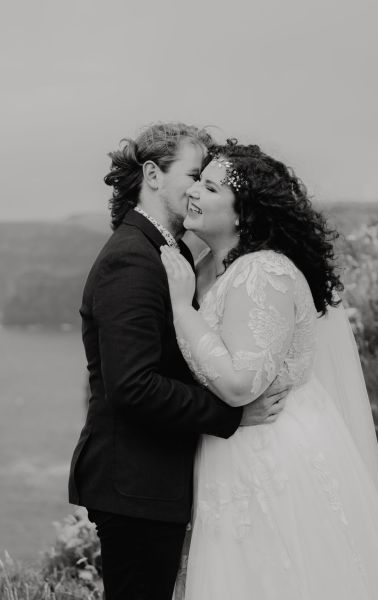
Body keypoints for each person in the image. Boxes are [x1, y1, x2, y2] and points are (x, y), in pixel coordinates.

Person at [161, 140, 378, 599]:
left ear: (242, 214)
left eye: (209, 187)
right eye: (198, 181)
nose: (193, 192)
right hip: (236, 452)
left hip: (272, 453)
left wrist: (179, 307)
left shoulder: (262, 271)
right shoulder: (215, 267)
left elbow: (238, 385)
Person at [68, 123, 287, 600]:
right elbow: (133, 386)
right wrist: (234, 415)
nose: (197, 190)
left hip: (155, 481)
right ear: (152, 174)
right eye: (194, 174)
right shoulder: (132, 259)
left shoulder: (170, 254)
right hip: (136, 487)